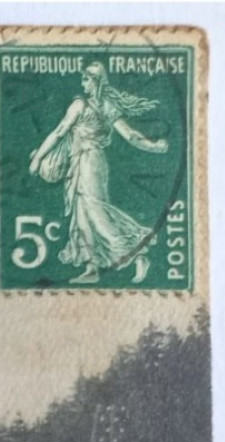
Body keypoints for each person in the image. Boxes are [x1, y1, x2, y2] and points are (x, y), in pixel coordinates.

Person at [29, 62, 170, 284]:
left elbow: (58, 133)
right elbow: (131, 135)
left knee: (94, 211)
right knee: (83, 213)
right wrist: (154, 146)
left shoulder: (80, 105)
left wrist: (38, 158)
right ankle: (92, 268)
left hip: (88, 162)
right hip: (90, 162)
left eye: (86, 79)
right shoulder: (108, 107)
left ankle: (137, 254)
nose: (82, 83)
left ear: (97, 82)